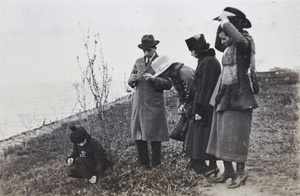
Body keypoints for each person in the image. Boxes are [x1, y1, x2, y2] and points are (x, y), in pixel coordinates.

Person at [206, 7, 259, 188]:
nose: (222, 40)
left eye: (225, 35)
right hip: (224, 94)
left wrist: (226, 22)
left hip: (239, 94)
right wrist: (221, 25)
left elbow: (238, 40)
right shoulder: (229, 46)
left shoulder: (244, 43)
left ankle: (240, 172)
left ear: (233, 28)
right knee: (221, 133)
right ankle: (228, 170)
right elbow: (219, 45)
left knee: (236, 134)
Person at [128, 35, 172, 168]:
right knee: (139, 134)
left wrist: (154, 79)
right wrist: (133, 79)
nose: (146, 53)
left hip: (154, 104)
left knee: (155, 135)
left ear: (155, 48)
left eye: (149, 50)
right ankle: (144, 163)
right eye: (144, 50)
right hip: (140, 104)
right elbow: (131, 82)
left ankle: (156, 164)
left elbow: (169, 84)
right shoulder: (138, 62)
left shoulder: (161, 62)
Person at [183, 34, 221, 177]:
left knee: (205, 135)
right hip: (203, 104)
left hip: (206, 105)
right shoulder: (206, 60)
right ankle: (202, 165)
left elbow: (206, 87)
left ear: (198, 49)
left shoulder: (208, 62)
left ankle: (211, 166)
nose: (191, 52)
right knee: (202, 135)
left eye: (192, 49)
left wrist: (200, 108)